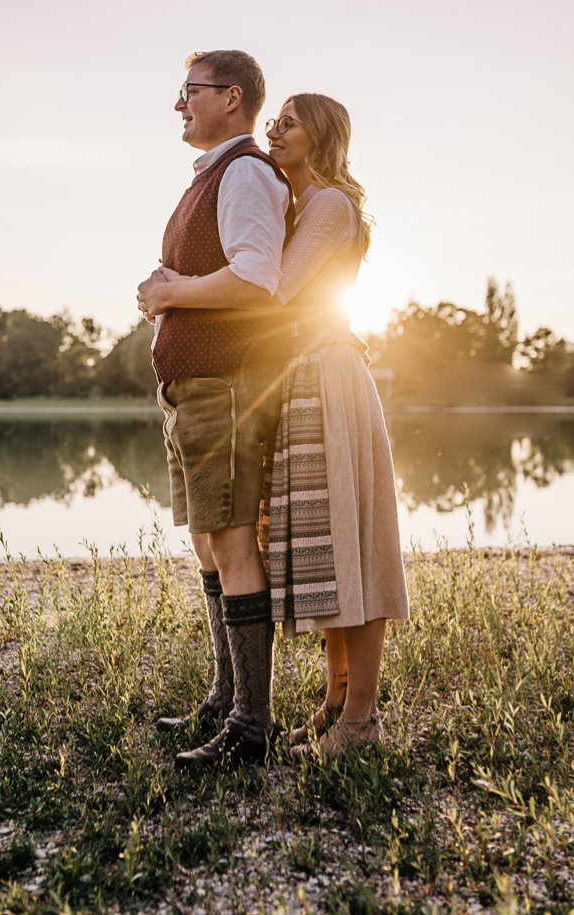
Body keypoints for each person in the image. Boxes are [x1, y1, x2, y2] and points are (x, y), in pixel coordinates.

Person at [141, 93, 410, 757]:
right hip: (299, 379)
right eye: (276, 119)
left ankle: (361, 718)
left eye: (290, 120)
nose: (275, 129)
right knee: (325, 546)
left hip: (330, 375)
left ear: (321, 135)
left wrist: (176, 289)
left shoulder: (328, 205)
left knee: (353, 549)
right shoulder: (300, 204)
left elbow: (270, 291)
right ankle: (334, 701)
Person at [135, 49, 295, 769]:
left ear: (231, 97)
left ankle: (251, 728)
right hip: (193, 387)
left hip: (226, 384)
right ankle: (225, 696)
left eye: (189, 91)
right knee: (207, 540)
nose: (179, 104)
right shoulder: (212, 177)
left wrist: (172, 293)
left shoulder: (247, 173)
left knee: (231, 542)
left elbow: (259, 278)